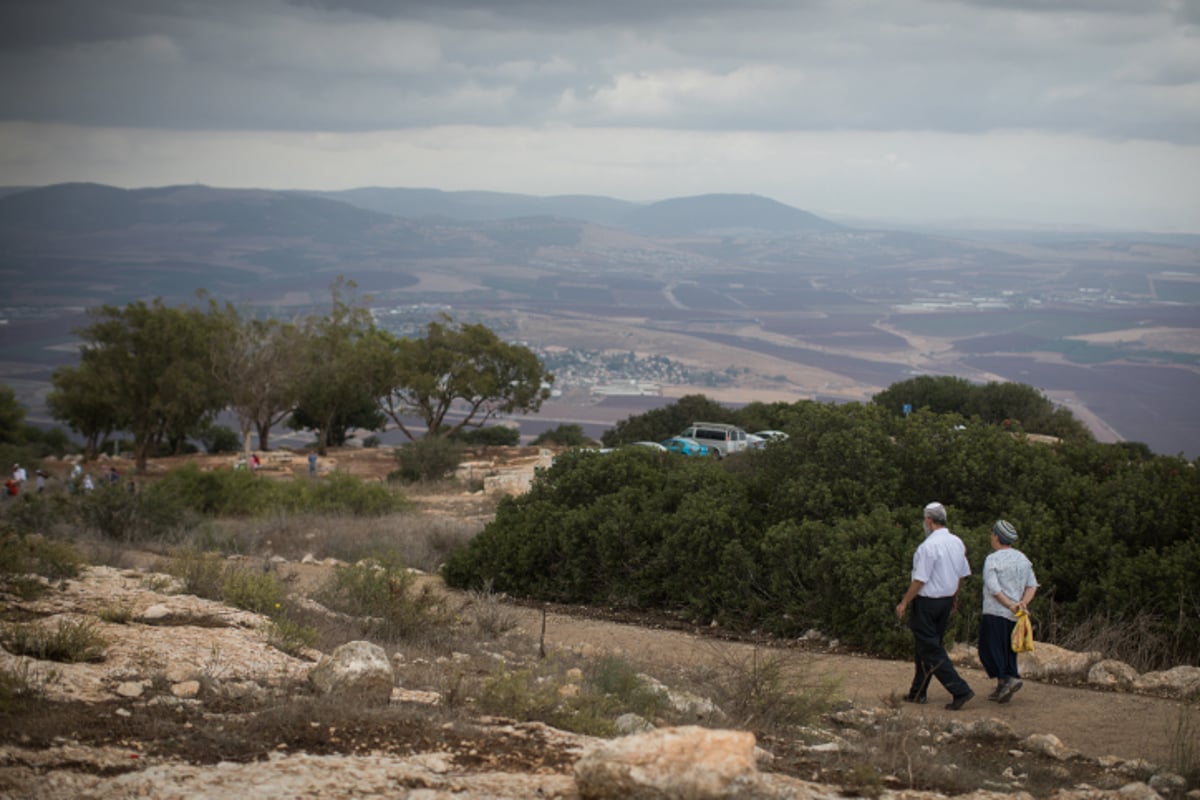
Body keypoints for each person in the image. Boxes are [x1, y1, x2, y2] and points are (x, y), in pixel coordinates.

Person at [895, 501, 975, 710]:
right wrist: (955, 598)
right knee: (926, 647)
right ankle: (918, 692)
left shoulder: (928, 546)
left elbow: (920, 579)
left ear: (929, 521)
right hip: (946, 600)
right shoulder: (957, 542)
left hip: (927, 602)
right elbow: (961, 574)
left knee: (931, 649)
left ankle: (960, 689)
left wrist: (904, 601)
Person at [979, 519, 1039, 704]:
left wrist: (1009, 604)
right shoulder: (1022, 558)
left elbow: (993, 588)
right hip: (1014, 615)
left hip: (995, 611)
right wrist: (1022, 603)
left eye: (992, 533)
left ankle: (1007, 678)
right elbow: (1032, 585)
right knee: (1008, 649)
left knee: (988, 649)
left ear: (997, 536)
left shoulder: (992, 559)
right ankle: (1004, 685)